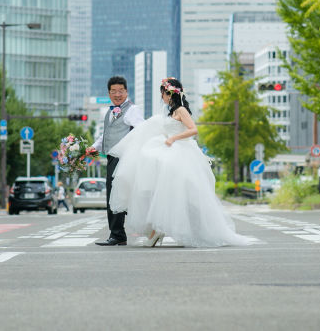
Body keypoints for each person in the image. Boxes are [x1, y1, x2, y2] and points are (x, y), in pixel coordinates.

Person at [109, 77, 252, 248]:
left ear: (169, 93)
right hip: (171, 150)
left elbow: (193, 130)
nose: (161, 97)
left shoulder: (181, 110)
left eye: (163, 93)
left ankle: (168, 229)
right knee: (161, 190)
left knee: (183, 195)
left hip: (181, 152)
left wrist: (174, 138)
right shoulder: (171, 111)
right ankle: (156, 227)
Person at [86, 76, 144, 246]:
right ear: (109, 93)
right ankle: (117, 233)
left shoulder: (132, 109)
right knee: (115, 195)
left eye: (121, 91)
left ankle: (117, 234)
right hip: (112, 157)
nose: (117, 94)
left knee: (115, 195)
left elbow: (142, 128)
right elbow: (106, 135)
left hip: (124, 158)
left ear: (126, 91)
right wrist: (93, 148)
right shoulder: (110, 112)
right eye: (114, 91)